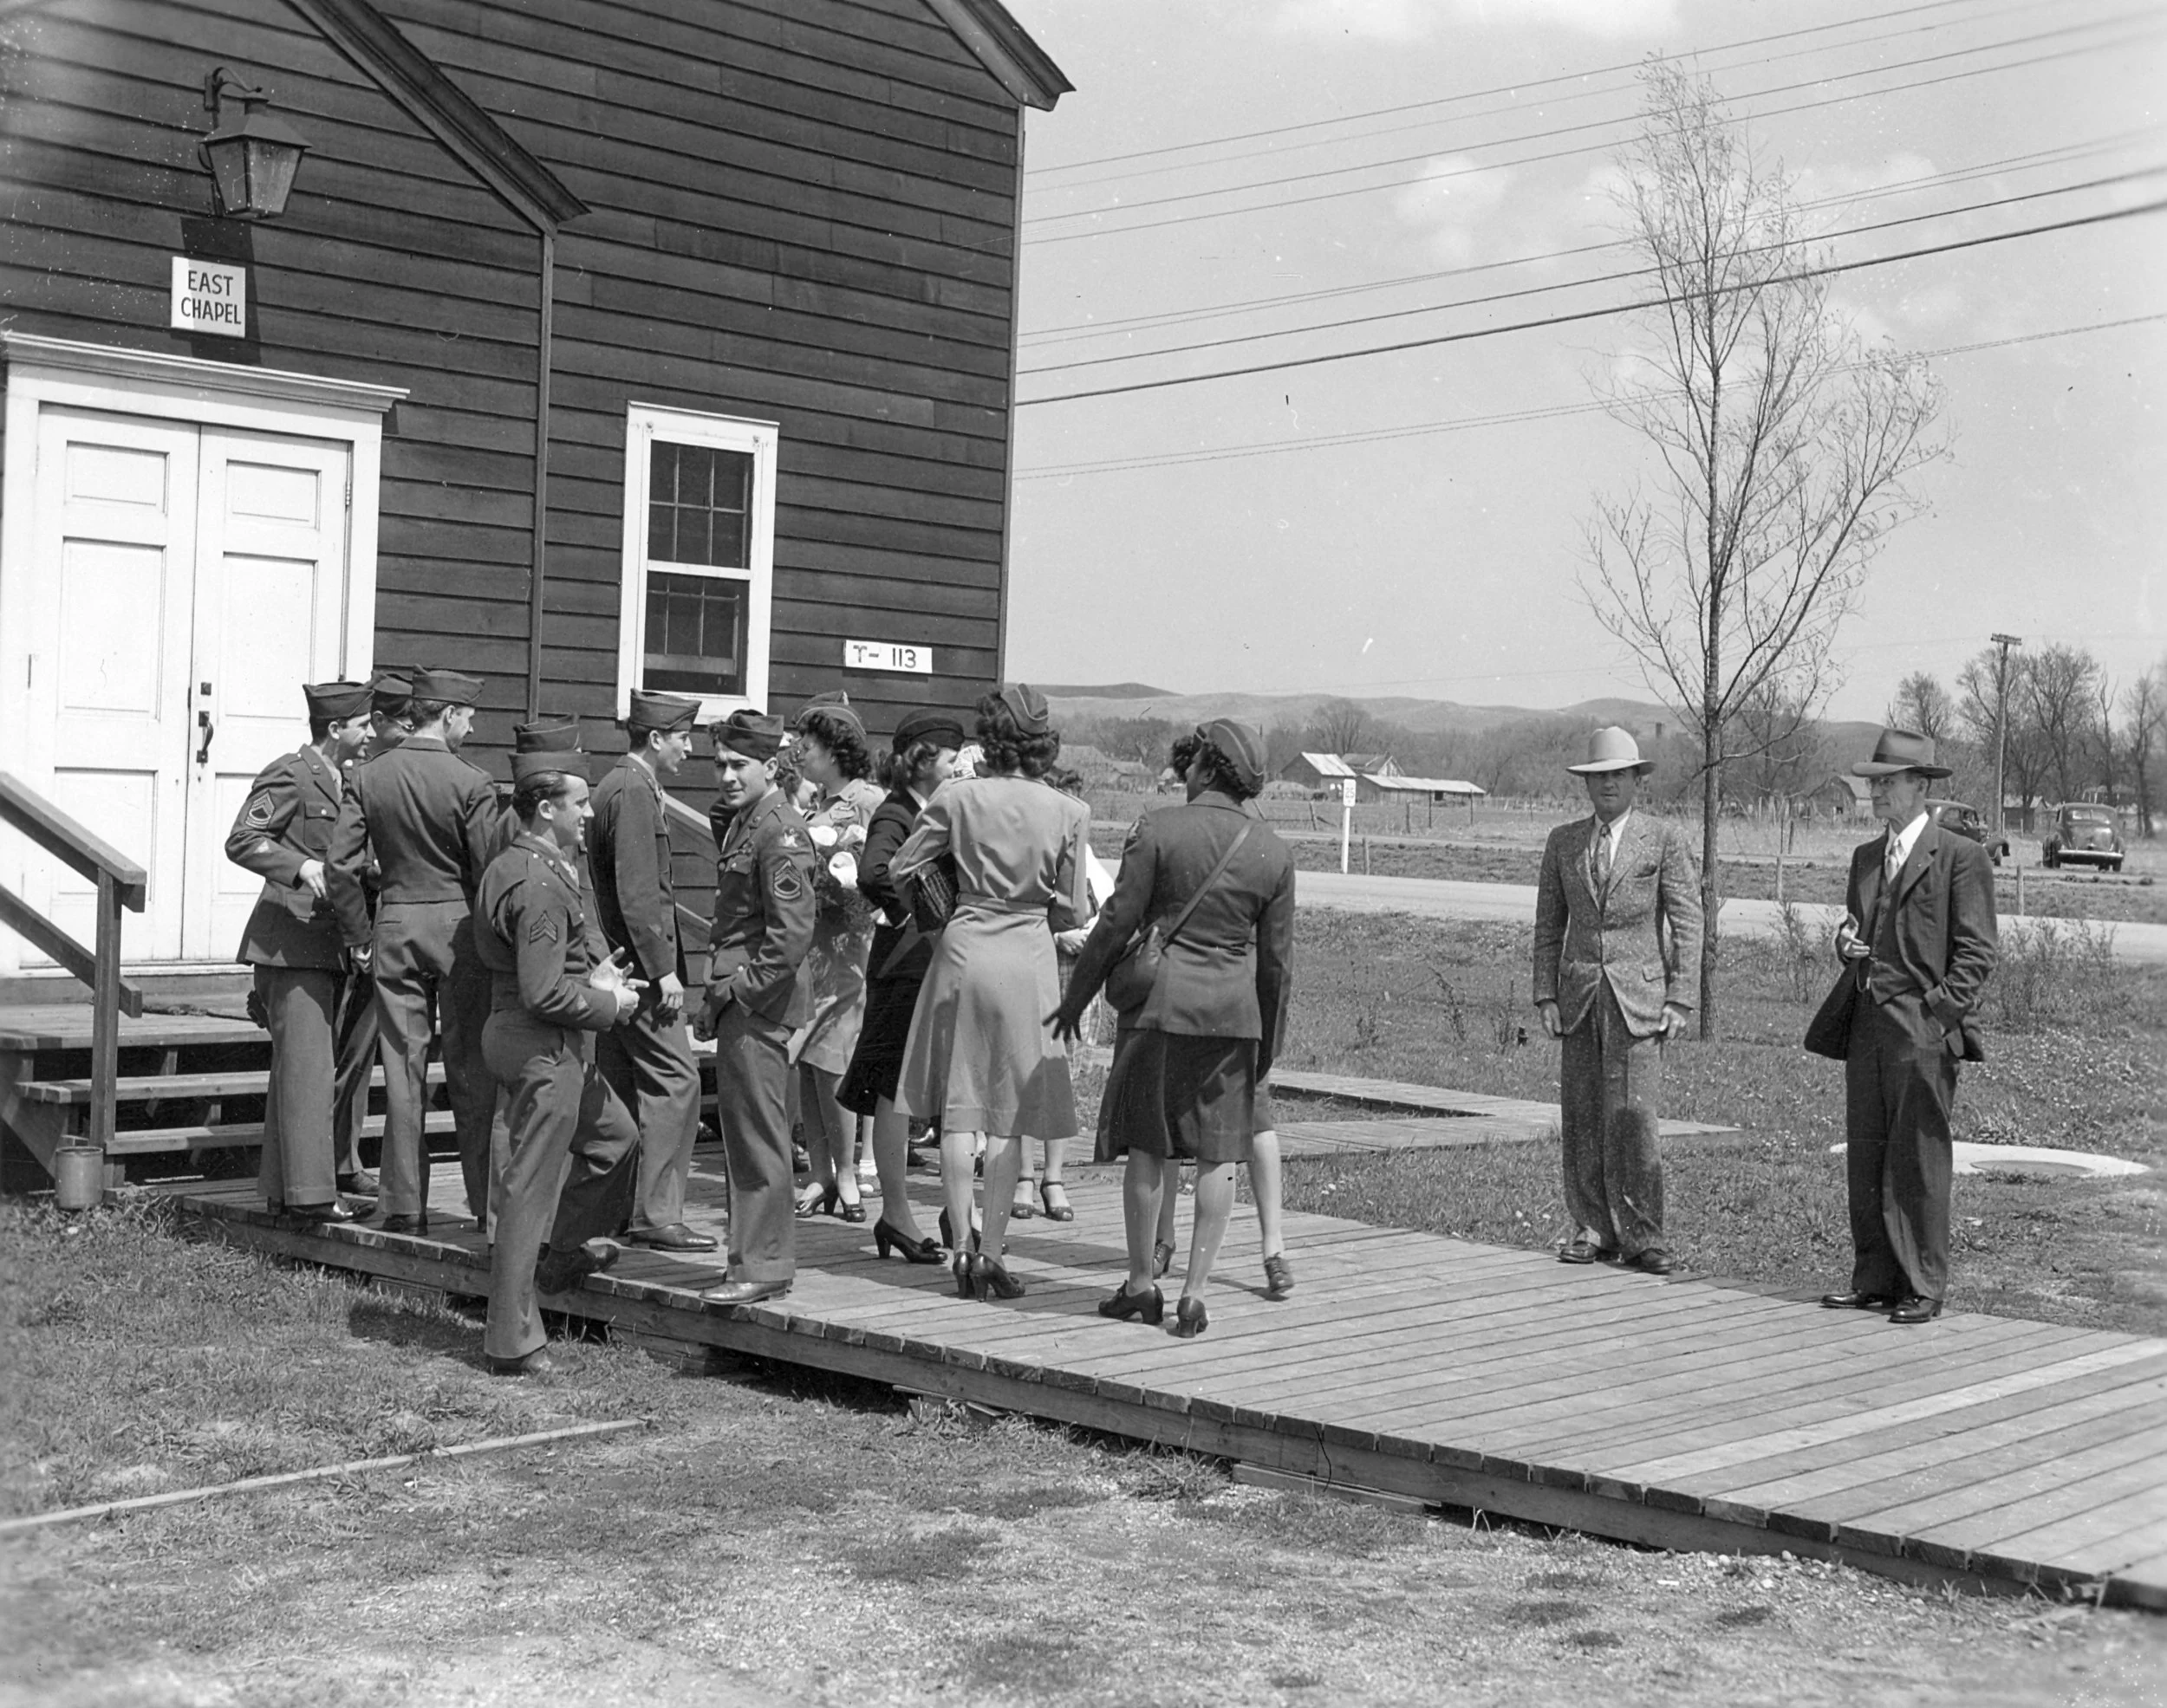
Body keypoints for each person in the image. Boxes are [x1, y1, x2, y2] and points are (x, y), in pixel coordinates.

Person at [1057, 718, 1296, 1339]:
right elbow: (1276, 966)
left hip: (1161, 1010)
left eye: (1193, 763)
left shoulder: (1158, 830)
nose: (1184, 771)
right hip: (1234, 1015)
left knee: (1149, 1144)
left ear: (1208, 768)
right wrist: (1265, 1040)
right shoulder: (1274, 851)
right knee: (1220, 1152)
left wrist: (1074, 997)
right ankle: (1193, 1295)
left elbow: (1114, 925)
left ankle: (1141, 1284)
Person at [891, 685, 1089, 1303]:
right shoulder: (1068, 811)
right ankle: (994, 1252)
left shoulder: (957, 796)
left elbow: (901, 870)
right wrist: (1037, 905)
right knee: (1009, 1114)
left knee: (959, 1106)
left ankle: (958, 1250)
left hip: (962, 948)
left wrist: (942, 907)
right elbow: (1076, 907)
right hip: (1027, 956)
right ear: (1042, 742)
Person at [1816, 729, 1998, 1325]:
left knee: (1918, 1157)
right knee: (1866, 1155)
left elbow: (1977, 953)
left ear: (1921, 787)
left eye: (1888, 782)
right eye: (1874, 782)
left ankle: (1923, 1282)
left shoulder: (1961, 857)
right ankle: (1874, 1278)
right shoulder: (1867, 857)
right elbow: (1856, 927)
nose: (1876, 792)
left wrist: (1937, 1016)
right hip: (1867, 1026)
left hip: (1922, 1033)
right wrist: (1845, 943)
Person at [472, 750, 644, 1376]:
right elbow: (543, 990)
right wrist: (608, 1000)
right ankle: (511, 1339)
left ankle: (563, 1255)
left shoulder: (537, 865)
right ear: (546, 809)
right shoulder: (539, 880)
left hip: (550, 1038)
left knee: (615, 1138)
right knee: (528, 1188)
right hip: (542, 1043)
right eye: (580, 802)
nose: (590, 812)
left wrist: (592, 975)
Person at [326, 667, 501, 1234]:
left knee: (402, 1071)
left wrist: (358, 934)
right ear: (448, 713)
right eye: (467, 716)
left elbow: (338, 867)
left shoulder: (370, 775)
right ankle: (485, 1206)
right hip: (459, 931)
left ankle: (402, 1205)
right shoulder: (472, 782)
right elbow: (488, 871)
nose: (471, 728)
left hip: (395, 928)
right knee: (471, 1069)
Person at [1532, 726, 1702, 1275]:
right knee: (1581, 1116)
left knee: (1634, 1119)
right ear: (1586, 784)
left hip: (1641, 1000)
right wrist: (1545, 994)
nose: (1608, 785)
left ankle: (1644, 1236)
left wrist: (1681, 997)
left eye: (1619, 775)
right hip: (1579, 997)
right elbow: (1547, 926)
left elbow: (1689, 922)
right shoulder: (1563, 842)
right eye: (1599, 776)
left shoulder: (1663, 838)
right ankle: (1591, 1227)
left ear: (1636, 781)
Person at [226, 679, 375, 1224]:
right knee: (310, 1073)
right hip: (289, 946)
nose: (371, 734)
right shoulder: (290, 772)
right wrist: (299, 865)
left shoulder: (348, 780)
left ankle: (282, 1192)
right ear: (335, 729)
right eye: (363, 725)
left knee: (299, 1072)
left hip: (323, 945)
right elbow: (243, 838)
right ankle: (312, 1198)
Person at [697, 710, 817, 1306]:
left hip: (759, 1005)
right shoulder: (747, 822)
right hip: (738, 1001)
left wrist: (740, 990)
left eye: (738, 764)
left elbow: (790, 935)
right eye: (719, 763)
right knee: (742, 1135)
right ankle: (748, 1255)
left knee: (760, 1135)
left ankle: (763, 1264)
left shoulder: (780, 831)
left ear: (770, 765)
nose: (724, 775)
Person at [589, 690, 713, 1254]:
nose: (689, 748)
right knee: (677, 1080)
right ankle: (657, 1212)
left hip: (622, 968)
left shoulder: (619, 784)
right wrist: (665, 971)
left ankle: (613, 1209)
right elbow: (640, 895)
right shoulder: (635, 791)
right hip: (642, 972)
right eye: (683, 736)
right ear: (657, 738)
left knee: (620, 1086)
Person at [839, 707, 965, 1264]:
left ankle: (937, 1210)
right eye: (949, 759)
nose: (958, 768)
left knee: (927, 1092)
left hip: (928, 967)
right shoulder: (898, 811)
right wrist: (916, 916)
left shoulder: (936, 809)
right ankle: (896, 1212)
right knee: (894, 1092)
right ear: (920, 762)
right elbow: (873, 872)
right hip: (904, 970)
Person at [788, 697, 885, 1224]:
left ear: (836, 749)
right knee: (808, 1063)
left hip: (852, 948)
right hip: (814, 946)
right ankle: (821, 1172)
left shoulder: (868, 799)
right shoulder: (811, 802)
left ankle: (847, 1174)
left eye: (811, 743)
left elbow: (889, 863)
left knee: (834, 1061)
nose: (802, 751)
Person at [328, 668, 418, 1199]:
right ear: (377, 721)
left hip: (375, 921)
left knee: (360, 1052)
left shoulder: (385, 772)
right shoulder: (352, 776)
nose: (411, 728)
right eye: (403, 720)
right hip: (348, 928)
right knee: (346, 1052)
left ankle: (344, 1158)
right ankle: (333, 1160)